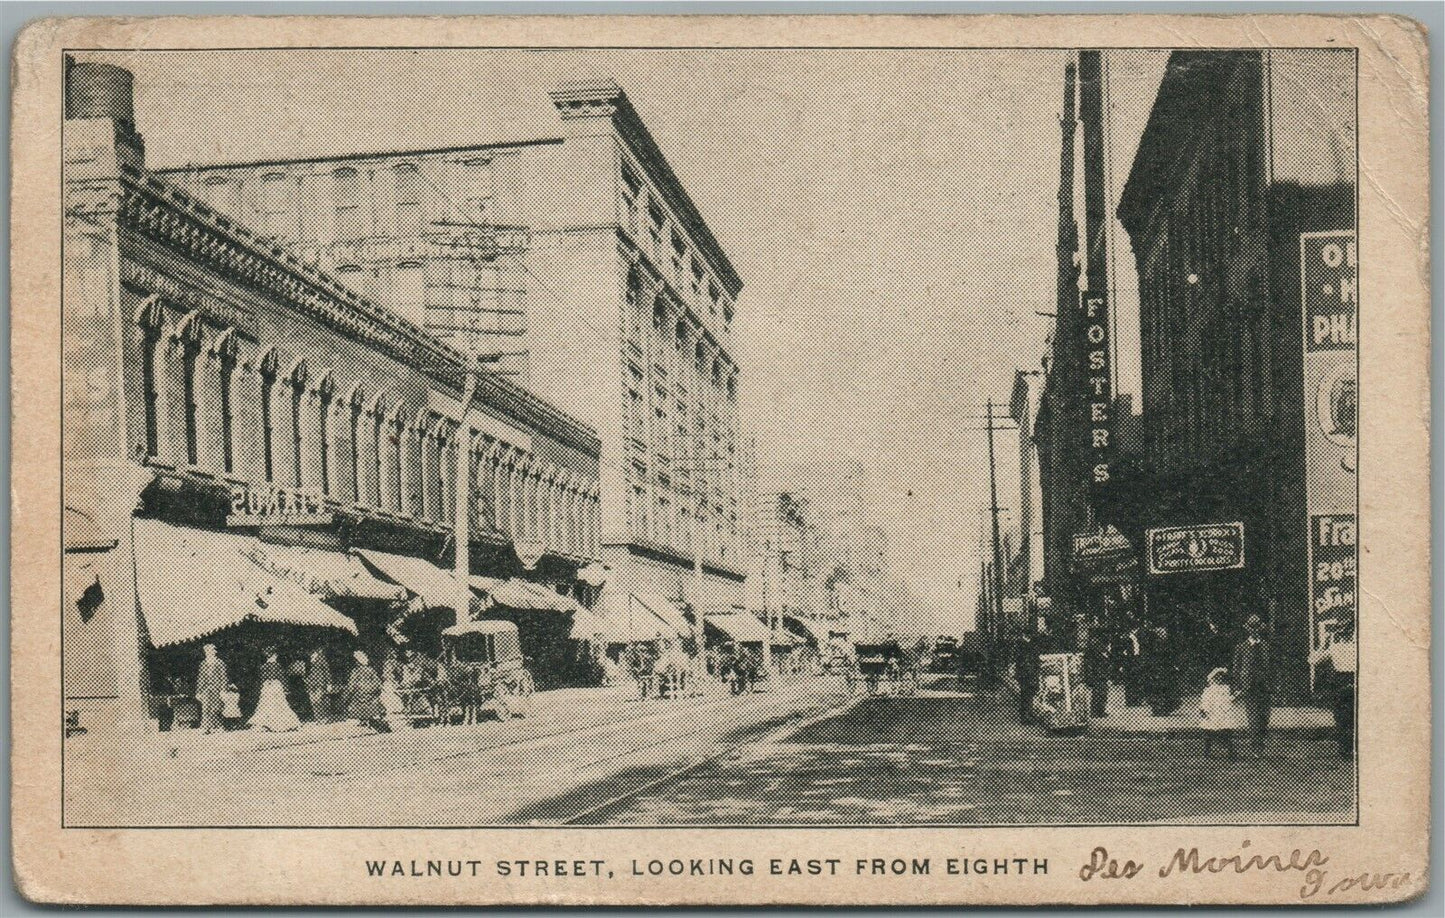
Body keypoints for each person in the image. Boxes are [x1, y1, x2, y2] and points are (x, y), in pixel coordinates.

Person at [1231, 614, 1273, 757]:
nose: (1255, 631)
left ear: (1260, 630)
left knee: (1264, 717)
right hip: (1249, 687)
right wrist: (1237, 687)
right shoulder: (1241, 647)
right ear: (1248, 630)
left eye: (1257, 628)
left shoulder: (1266, 646)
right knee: (1253, 717)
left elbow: (1273, 666)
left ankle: (1259, 741)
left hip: (1265, 686)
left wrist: (1274, 685)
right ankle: (1256, 747)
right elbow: (1236, 669)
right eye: (1252, 628)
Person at [247, 647, 301, 732]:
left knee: (267, 704)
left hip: (269, 686)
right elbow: (281, 677)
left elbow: (263, 677)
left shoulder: (265, 666)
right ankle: (283, 723)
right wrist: (285, 688)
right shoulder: (276, 666)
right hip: (275, 686)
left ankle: (267, 724)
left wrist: (265, 683)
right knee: (279, 704)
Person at [340, 650, 389, 733]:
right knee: (372, 704)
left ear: (357, 662)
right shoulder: (370, 670)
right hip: (371, 693)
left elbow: (352, 685)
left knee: (355, 703)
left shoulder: (356, 672)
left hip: (360, 694)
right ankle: (369, 719)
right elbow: (377, 682)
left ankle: (364, 719)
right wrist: (376, 689)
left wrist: (348, 693)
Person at [1199, 667, 1243, 760]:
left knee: (1226, 734)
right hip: (1211, 714)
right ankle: (1206, 753)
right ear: (1212, 679)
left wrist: (1235, 696)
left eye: (1221, 677)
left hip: (1223, 714)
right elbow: (1205, 701)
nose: (1219, 679)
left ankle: (1231, 753)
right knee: (1208, 735)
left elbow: (1228, 700)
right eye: (1217, 677)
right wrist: (1204, 710)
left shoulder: (1225, 689)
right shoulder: (1209, 690)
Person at [195, 643, 229, 735]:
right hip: (206, 689)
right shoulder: (203, 664)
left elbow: (224, 677)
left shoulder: (219, 663)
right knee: (205, 707)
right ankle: (206, 727)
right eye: (208, 651)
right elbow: (201, 678)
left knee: (216, 707)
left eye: (213, 650)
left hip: (217, 688)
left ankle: (218, 726)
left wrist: (223, 690)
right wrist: (198, 691)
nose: (211, 652)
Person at [1082, 628, 1111, 717]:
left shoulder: (1095, 646)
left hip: (1100, 672)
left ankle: (1099, 710)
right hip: (1097, 673)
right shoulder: (1093, 648)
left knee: (1102, 692)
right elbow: (1091, 662)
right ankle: (1096, 711)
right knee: (1099, 692)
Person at [1013, 632, 1038, 724]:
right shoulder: (1025, 646)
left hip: (1023, 674)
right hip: (1026, 674)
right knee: (1027, 695)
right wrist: (1032, 673)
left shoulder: (1021, 644)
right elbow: (1027, 661)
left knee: (1025, 694)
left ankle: (1026, 715)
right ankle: (1026, 716)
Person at [304, 648, 333, 724]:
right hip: (311, 683)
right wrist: (306, 679)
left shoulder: (321, 658)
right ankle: (317, 718)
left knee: (319, 700)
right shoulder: (308, 659)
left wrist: (329, 683)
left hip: (320, 682)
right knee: (313, 701)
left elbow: (327, 671)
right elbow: (306, 671)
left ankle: (324, 717)